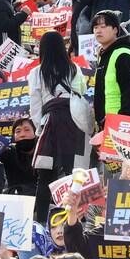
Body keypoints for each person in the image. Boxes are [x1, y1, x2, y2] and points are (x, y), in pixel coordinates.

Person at [28, 31, 91, 220]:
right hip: (75, 121)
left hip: (51, 121)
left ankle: (40, 221)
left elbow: (35, 103)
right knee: (76, 174)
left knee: (45, 175)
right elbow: (82, 92)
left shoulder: (36, 72)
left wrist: (39, 128)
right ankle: (78, 220)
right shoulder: (74, 69)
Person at [91, 10, 130, 125]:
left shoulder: (122, 55)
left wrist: (123, 121)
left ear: (115, 30)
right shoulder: (105, 55)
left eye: (103, 26)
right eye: (95, 27)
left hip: (127, 125)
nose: (98, 30)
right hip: (112, 123)